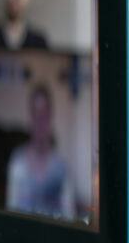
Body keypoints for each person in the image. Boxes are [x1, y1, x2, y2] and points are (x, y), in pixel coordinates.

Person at [5, 83, 77, 219]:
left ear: (51, 117)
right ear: (30, 118)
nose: (40, 122)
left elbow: (69, 218)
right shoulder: (17, 162)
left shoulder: (62, 168)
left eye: (44, 115)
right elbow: (11, 212)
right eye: (36, 115)